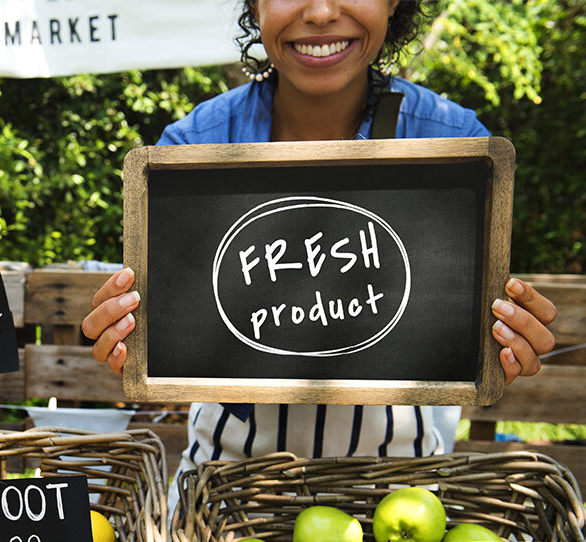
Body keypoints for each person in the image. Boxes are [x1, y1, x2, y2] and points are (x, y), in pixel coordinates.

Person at [81, 0, 557, 485]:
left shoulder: (457, 148)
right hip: (224, 488)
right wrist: (129, 331)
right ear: (254, 5)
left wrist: (505, 338)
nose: (323, 11)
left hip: (401, 488)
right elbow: (163, 330)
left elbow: (465, 326)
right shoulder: (190, 149)